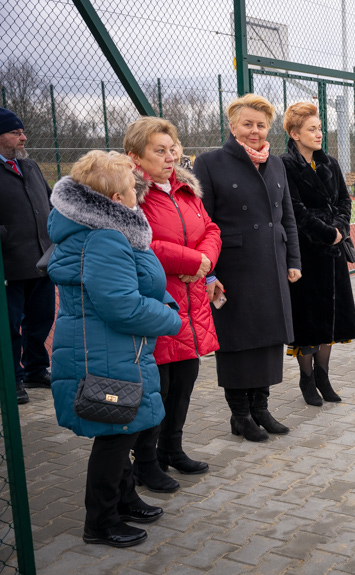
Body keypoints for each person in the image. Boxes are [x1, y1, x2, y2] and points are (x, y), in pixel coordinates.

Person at [47, 150, 182, 547]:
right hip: (106, 350)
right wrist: (172, 318)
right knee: (115, 435)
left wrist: (162, 306)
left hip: (118, 348)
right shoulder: (105, 237)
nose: (138, 190)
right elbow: (122, 305)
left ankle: (124, 500)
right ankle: (101, 521)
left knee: (124, 426)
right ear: (116, 200)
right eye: (130, 186)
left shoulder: (105, 231)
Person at [193, 94, 302, 442]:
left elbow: (287, 216)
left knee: (268, 339)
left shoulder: (276, 163)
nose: (254, 131)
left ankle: (261, 408)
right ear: (232, 125)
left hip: (272, 262)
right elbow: (202, 222)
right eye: (247, 124)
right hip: (234, 267)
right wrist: (209, 272)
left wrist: (294, 260)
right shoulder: (210, 162)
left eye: (261, 125)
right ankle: (239, 415)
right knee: (238, 343)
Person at [124, 119, 222, 492]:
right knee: (156, 389)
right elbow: (140, 241)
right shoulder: (131, 193)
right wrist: (189, 261)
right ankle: (144, 461)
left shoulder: (186, 189)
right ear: (135, 156)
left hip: (192, 299)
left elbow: (211, 229)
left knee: (184, 381)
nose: (170, 157)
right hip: (158, 300)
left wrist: (205, 262)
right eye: (159, 151)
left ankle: (172, 449)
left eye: (173, 148)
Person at [279, 102, 355, 405]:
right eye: (311, 129)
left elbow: (344, 202)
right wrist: (326, 233)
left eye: (320, 128)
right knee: (308, 319)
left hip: (333, 254)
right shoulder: (285, 165)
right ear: (294, 133)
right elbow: (294, 209)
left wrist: (338, 229)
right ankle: (307, 379)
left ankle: (323, 376)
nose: (319, 133)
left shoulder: (330, 163)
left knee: (330, 318)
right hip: (306, 254)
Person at [0, 108, 54, 405]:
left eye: (22, 132)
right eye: (15, 132)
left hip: (43, 260)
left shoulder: (30, 166)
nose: (23, 137)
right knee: (9, 325)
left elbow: (49, 200)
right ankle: (12, 378)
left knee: (42, 319)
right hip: (10, 263)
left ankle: (36, 369)